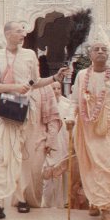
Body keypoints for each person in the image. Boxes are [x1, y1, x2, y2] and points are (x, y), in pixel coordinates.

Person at [0, 21, 68, 219]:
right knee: (5, 157)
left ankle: (21, 199)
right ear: (8, 34)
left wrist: (55, 77)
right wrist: (14, 88)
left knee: (21, 158)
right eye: (19, 30)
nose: (23, 33)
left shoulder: (29, 55)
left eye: (23, 30)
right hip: (6, 113)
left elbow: (36, 83)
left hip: (26, 112)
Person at [67, 37, 110, 220]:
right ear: (90, 54)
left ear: (108, 54)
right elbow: (74, 101)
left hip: (109, 128)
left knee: (108, 166)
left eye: (104, 49)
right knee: (91, 165)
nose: (101, 51)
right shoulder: (82, 75)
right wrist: (70, 117)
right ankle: (95, 201)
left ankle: (106, 209)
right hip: (87, 127)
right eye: (97, 49)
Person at [41, 81, 70, 209]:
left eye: (59, 88)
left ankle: (61, 203)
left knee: (62, 173)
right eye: (54, 88)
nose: (57, 90)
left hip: (64, 141)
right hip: (51, 141)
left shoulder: (67, 104)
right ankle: (46, 203)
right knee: (48, 173)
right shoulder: (45, 103)